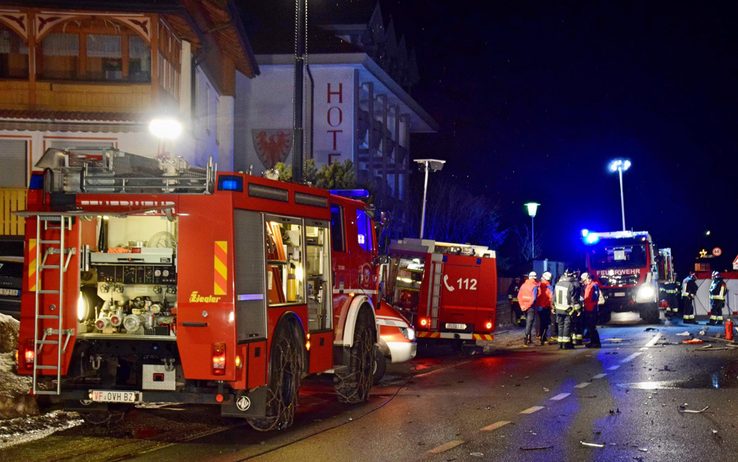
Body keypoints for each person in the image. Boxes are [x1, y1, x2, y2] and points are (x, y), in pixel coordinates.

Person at [553, 270, 581, 349]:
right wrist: (578, 310)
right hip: (567, 309)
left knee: (560, 326)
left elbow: (553, 297)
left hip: (558, 308)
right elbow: (573, 299)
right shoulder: (570, 285)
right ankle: (566, 344)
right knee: (567, 326)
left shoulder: (557, 284)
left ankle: (560, 343)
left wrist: (553, 307)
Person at [517, 271, 539, 346]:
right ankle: (526, 340)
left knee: (527, 323)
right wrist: (527, 306)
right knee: (529, 324)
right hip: (530, 307)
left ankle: (528, 339)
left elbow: (519, 296)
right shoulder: (534, 286)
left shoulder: (523, 285)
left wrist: (522, 306)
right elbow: (534, 298)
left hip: (524, 307)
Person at [581, 272, 601, 348]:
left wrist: (590, 306)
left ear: (588, 279)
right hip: (588, 308)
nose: (584, 282)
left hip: (592, 309)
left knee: (592, 326)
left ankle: (596, 343)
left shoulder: (593, 285)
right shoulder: (588, 286)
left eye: (584, 280)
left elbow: (595, 297)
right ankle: (593, 342)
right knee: (590, 326)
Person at [535, 272, 554, 345]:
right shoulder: (549, 286)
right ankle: (544, 338)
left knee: (539, 322)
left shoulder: (538, 285)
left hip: (538, 306)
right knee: (545, 323)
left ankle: (539, 336)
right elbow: (551, 298)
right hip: (546, 307)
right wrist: (552, 307)